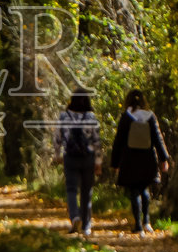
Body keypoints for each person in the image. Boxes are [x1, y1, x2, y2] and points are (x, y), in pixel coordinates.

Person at [110, 88, 170, 235]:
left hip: (130, 159)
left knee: (134, 191)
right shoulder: (150, 117)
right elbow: (158, 139)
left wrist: (115, 163)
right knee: (144, 189)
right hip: (148, 158)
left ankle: (137, 224)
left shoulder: (126, 117)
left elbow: (118, 141)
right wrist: (164, 159)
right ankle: (147, 222)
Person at [53, 90, 101, 235]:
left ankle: (74, 217)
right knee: (87, 192)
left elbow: (57, 138)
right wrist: (98, 162)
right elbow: (97, 141)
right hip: (88, 158)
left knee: (71, 189)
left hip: (70, 157)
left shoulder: (64, 116)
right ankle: (86, 226)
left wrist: (57, 155)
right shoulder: (91, 117)